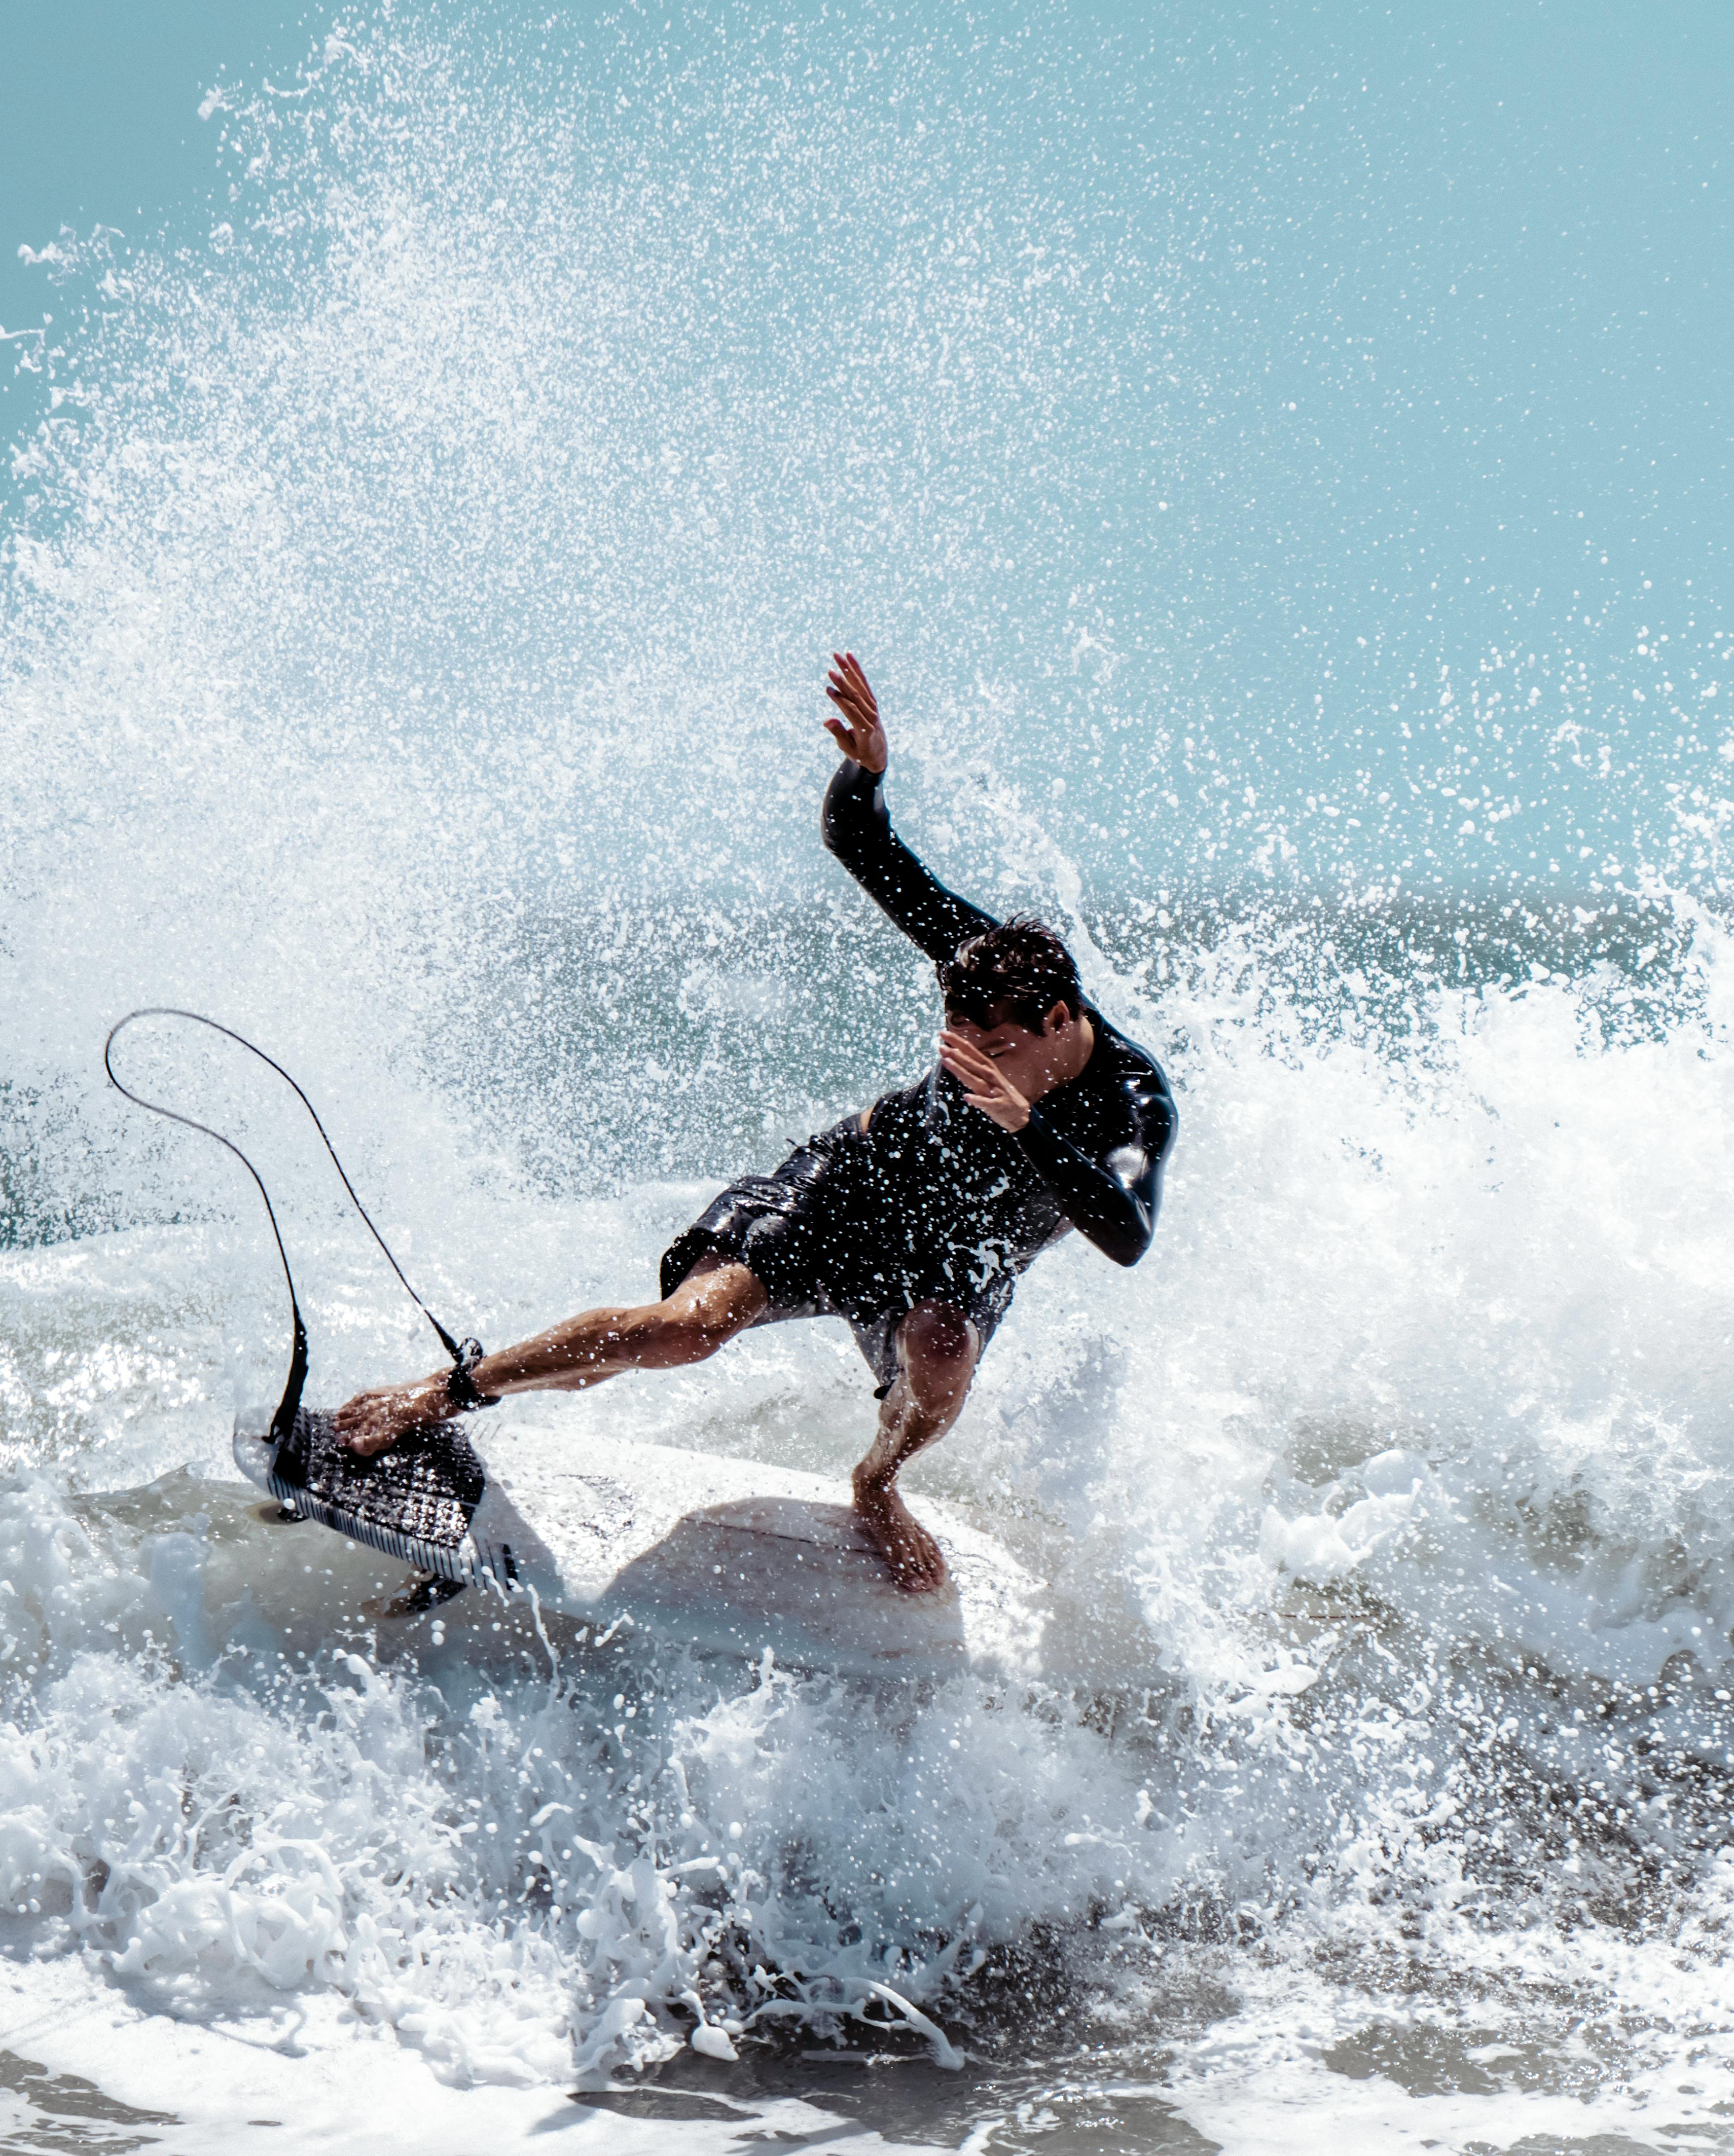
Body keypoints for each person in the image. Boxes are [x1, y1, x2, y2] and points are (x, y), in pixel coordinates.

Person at [332, 653, 1176, 1592]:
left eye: (989, 1044)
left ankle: (877, 1482)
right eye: (951, 1034)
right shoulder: (982, 963)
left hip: (960, 1257)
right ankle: (444, 1394)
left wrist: (1027, 1125)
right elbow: (860, 841)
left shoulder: (1132, 1100)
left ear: (1057, 1023)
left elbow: (1128, 1235)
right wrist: (864, 772)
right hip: (850, 1189)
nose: (964, 1055)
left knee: (941, 1352)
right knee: (683, 1331)